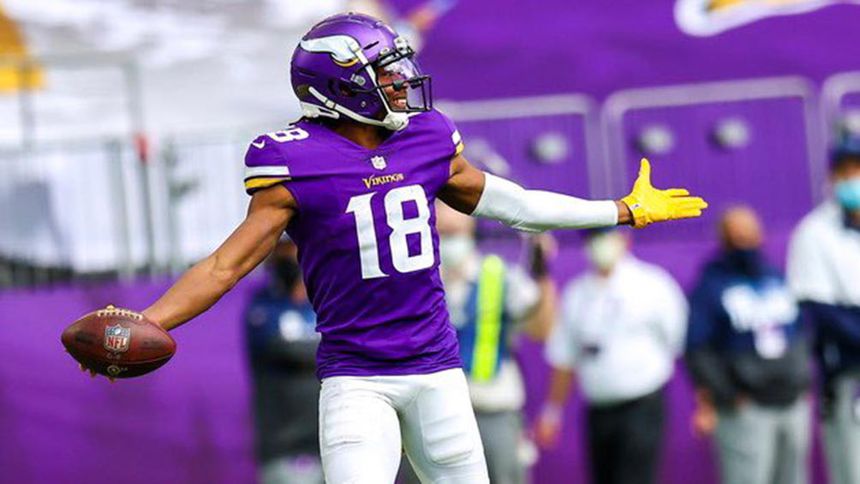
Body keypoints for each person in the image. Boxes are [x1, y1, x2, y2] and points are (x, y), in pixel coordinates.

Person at [105, 13, 706, 483]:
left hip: (439, 370)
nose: (402, 80)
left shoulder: (426, 137)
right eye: (386, 72)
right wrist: (148, 321)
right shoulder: (294, 158)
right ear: (342, 85)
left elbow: (517, 205)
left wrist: (619, 210)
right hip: (357, 379)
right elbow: (225, 265)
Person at [400, 202, 556, 484]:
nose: (450, 241)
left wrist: (542, 271)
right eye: (443, 232)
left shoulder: (499, 275)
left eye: (456, 232)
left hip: (491, 410)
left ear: (472, 232)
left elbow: (541, 330)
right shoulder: (412, 282)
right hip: (428, 417)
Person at [537, 229, 687, 484]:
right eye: (593, 238)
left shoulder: (652, 284)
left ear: (624, 239)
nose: (599, 244)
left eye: (605, 235)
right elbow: (564, 357)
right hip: (599, 408)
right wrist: (552, 412)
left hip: (642, 404)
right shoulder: (577, 294)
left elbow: (678, 340)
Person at [687, 206, 811, 484]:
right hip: (747, 407)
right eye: (737, 237)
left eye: (751, 234)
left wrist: (802, 380)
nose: (746, 242)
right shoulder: (712, 286)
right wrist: (728, 393)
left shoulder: (774, 277)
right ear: (724, 240)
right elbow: (697, 348)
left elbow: (800, 331)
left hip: (791, 401)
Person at [787, 138, 860, 484]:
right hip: (849, 372)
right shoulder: (814, 232)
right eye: (847, 171)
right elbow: (819, 309)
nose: (854, 178)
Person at [244, 238, 322, 484]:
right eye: (283, 257)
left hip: (338, 438)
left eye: (295, 256)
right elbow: (282, 349)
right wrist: (339, 347)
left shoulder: (328, 303)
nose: (291, 264)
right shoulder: (262, 305)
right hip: (287, 446)